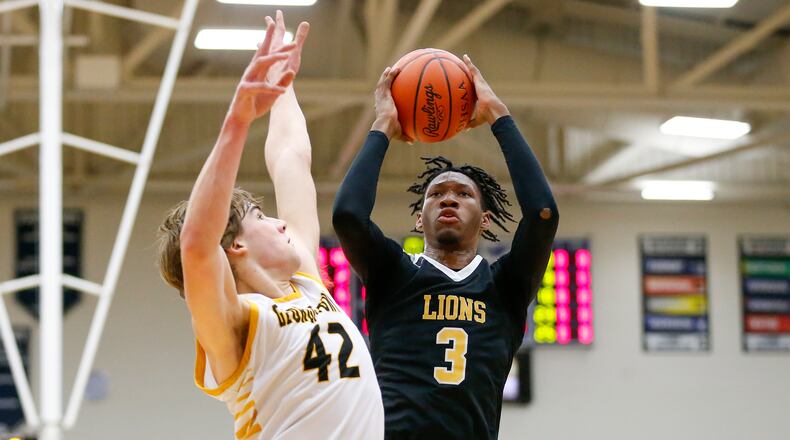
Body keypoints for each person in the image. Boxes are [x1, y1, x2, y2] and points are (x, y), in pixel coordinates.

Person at [156, 12, 383, 440]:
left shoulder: (307, 283)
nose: (282, 223)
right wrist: (238, 121)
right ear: (236, 247)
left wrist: (281, 87)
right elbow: (198, 246)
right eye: (261, 218)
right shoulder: (235, 323)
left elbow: (291, 157)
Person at [332, 56, 559, 439]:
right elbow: (348, 216)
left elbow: (543, 214)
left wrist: (498, 115)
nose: (448, 199)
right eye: (436, 194)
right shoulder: (395, 274)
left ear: (485, 219)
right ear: (419, 219)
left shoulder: (504, 287)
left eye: (463, 194)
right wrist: (384, 125)